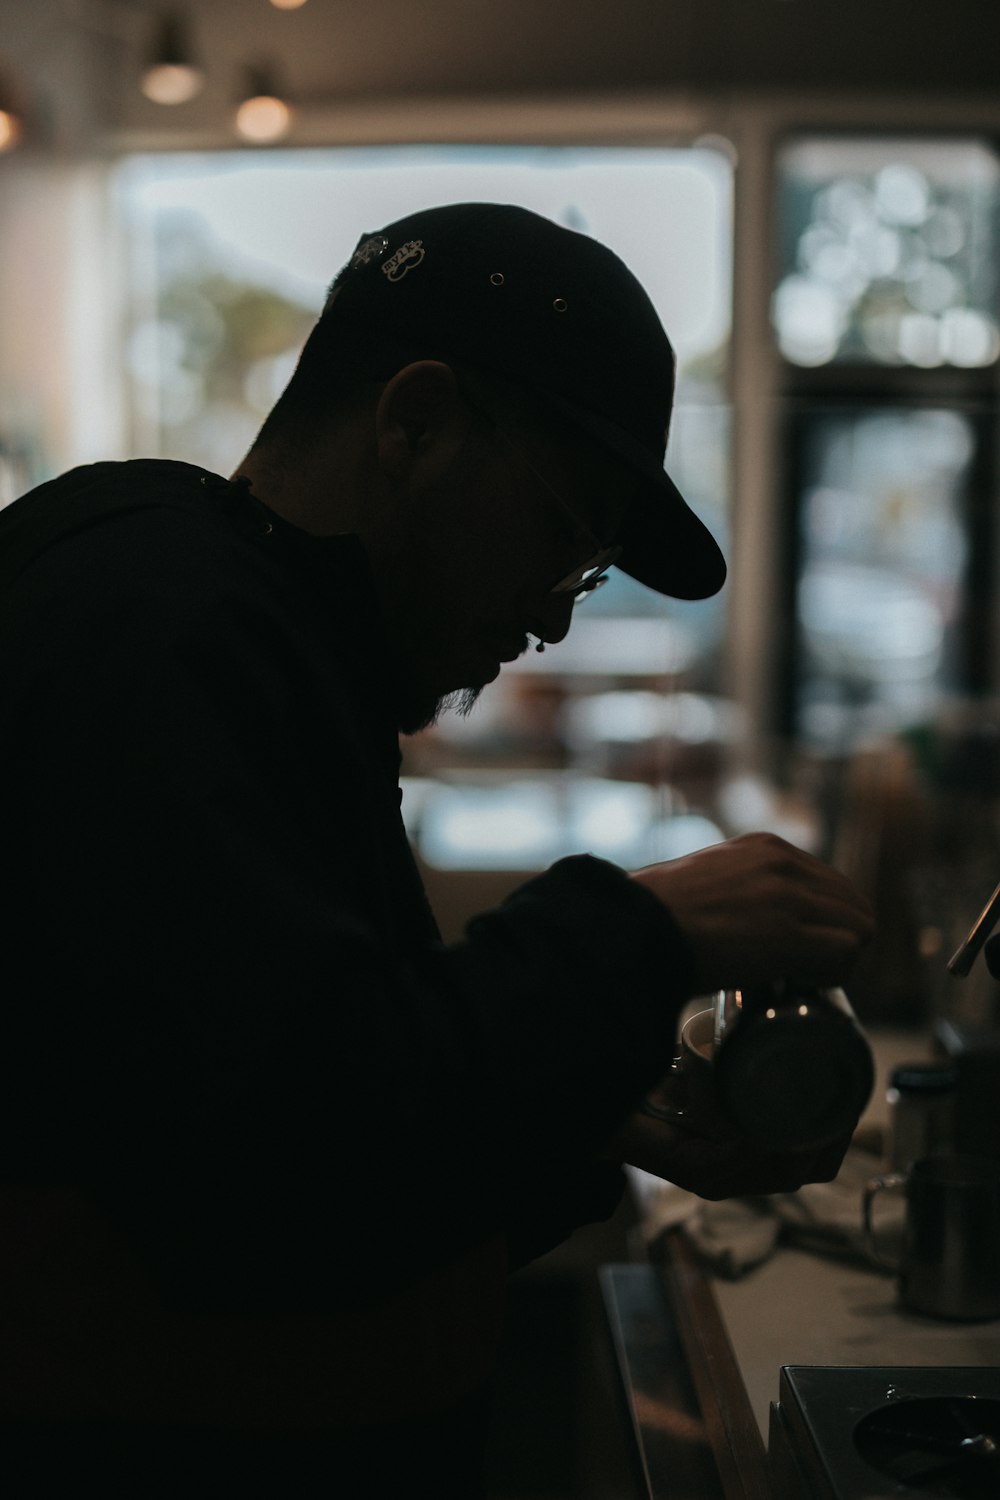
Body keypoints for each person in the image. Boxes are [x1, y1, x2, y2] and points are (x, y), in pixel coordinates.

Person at [0, 202, 873, 1496]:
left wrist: (591, 1116)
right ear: (414, 421)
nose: (551, 621)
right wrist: (650, 930)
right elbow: (276, 1182)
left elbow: (325, 1106)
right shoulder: (161, 626)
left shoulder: (260, 629)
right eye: (558, 542)